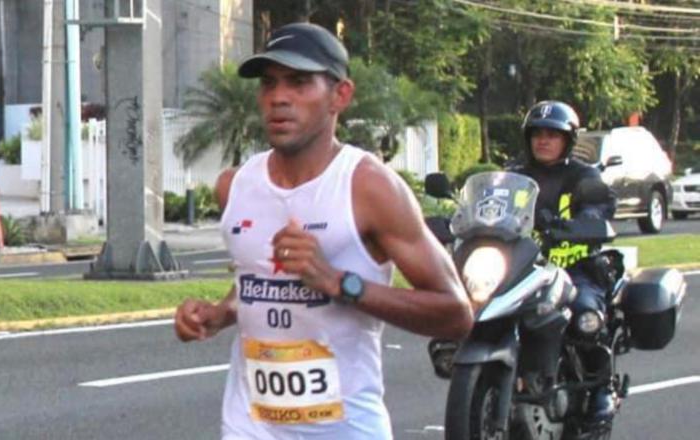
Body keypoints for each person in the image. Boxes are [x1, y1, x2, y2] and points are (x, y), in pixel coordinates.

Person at [174, 22, 474, 440]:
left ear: (340, 95)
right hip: (250, 427)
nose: (279, 98)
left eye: (299, 83)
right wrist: (216, 314)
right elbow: (255, 280)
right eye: (269, 84)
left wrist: (336, 282)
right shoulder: (235, 185)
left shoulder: (369, 187)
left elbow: (455, 314)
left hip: (345, 428)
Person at [515, 100, 618, 423]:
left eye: (552, 135)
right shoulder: (514, 174)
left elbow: (598, 205)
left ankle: (601, 387)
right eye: (537, 134)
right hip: (521, 269)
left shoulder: (582, 175)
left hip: (574, 268)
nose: (542, 140)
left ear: (568, 140)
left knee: (586, 317)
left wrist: (581, 222)